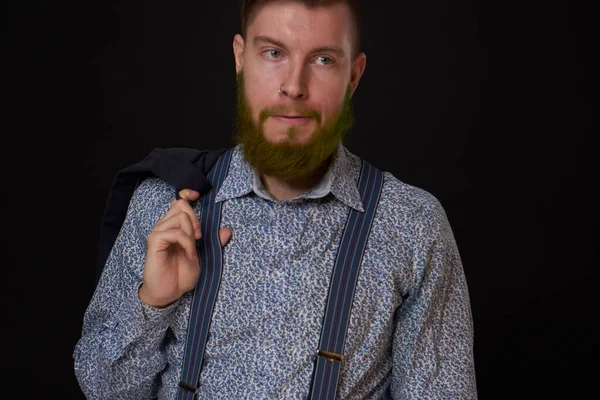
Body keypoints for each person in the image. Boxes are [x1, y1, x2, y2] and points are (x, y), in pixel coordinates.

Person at [73, 0, 478, 398]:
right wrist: (153, 303)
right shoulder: (162, 205)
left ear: (353, 77)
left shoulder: (413, 225)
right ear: (240, 58)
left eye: (323, 60)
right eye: (273, 53)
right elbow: (102, 389)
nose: (294, 86)